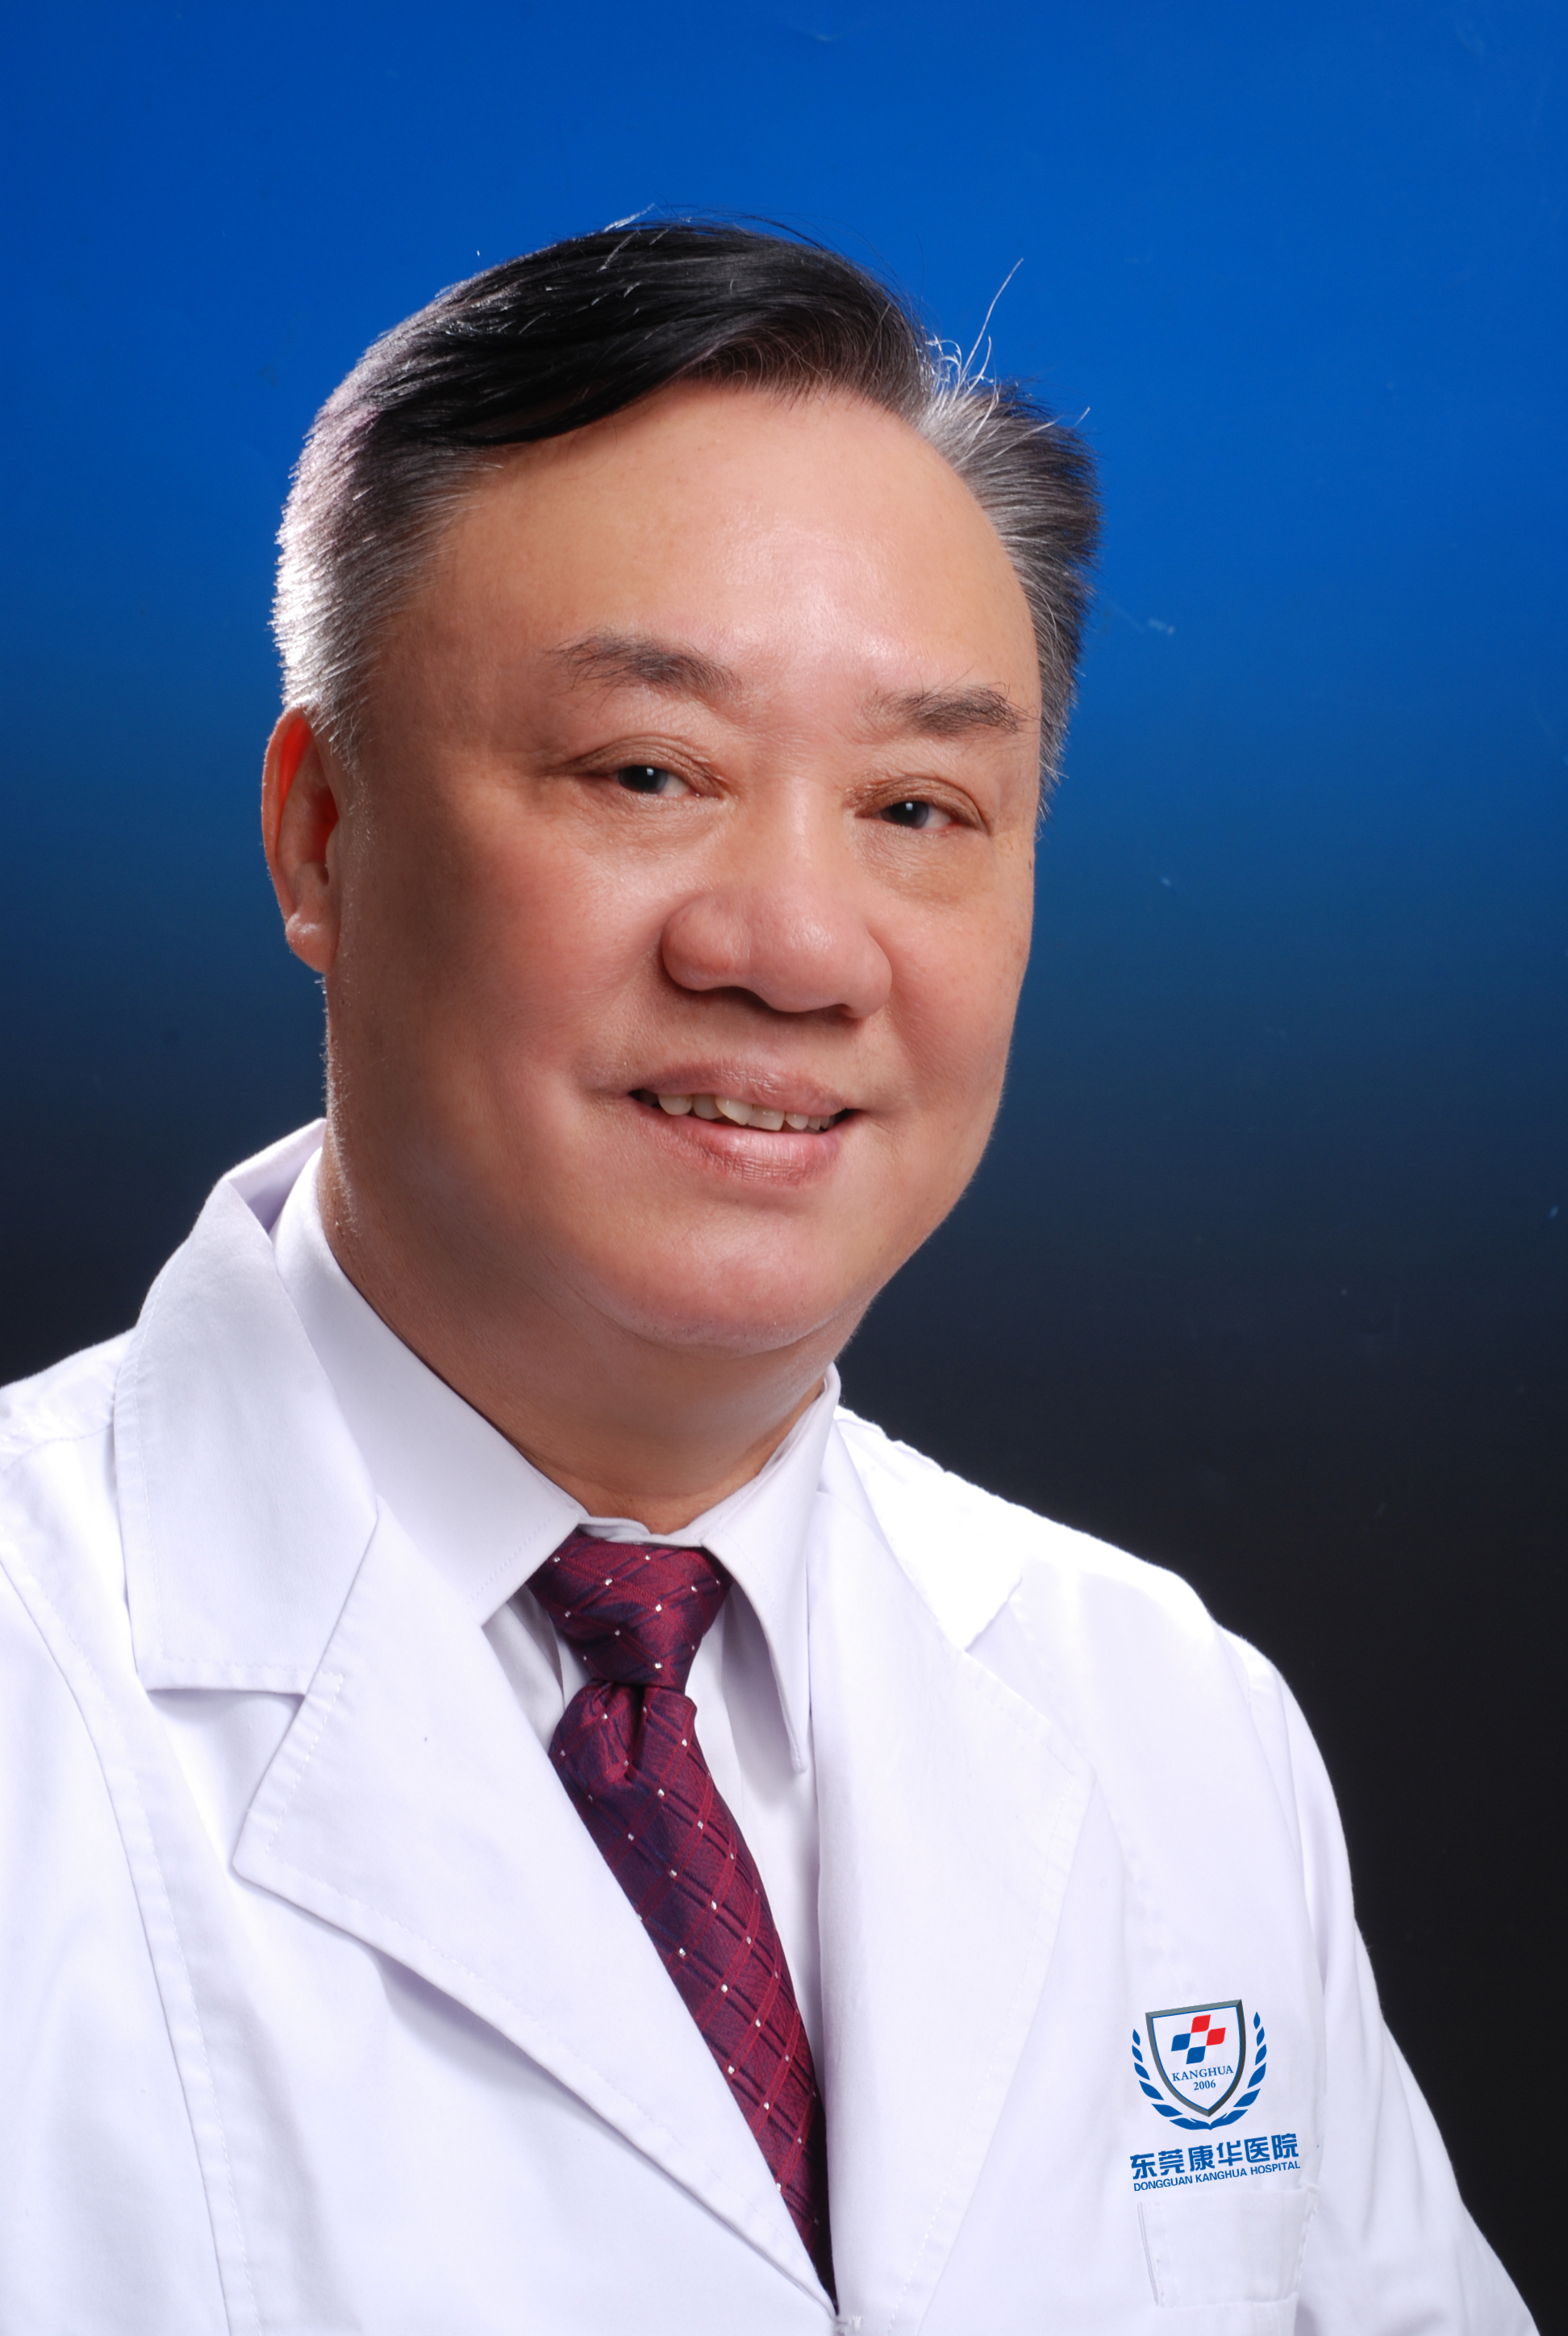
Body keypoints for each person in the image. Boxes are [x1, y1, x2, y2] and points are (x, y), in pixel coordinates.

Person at [0, 221, 1531, 2336]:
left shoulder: (1171, 1720)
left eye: (920, 805)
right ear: (320, 834)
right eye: (648, 772)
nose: (797, 952)